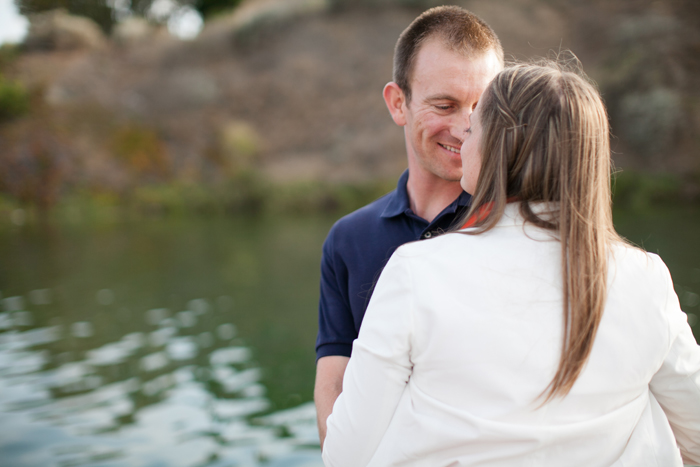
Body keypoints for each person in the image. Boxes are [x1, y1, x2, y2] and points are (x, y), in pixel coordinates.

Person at [322, 62, 700, 466]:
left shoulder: (416, 271)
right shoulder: (647, 277)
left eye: (473, 127)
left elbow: (346, 454)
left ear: (500, 147)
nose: (463, 138)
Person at [314, 6, 504, 445]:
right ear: (399, 103)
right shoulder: (348, 240)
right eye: (445, 105)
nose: (466, 127)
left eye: (482, 107)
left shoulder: (517, 223)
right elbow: (334, 384)